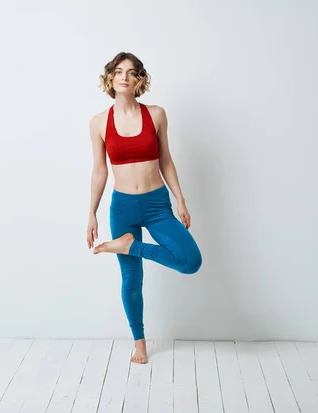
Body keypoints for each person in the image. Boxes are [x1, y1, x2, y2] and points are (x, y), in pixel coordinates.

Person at [86, 52, 202, 364]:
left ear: (140, 80)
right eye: (119, 71)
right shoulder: (98, 122)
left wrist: (180, 199)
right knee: (131, 281)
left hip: (156, 205)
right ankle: (139, 343)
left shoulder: (157, 114)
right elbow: (100, 171)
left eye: (132, 72)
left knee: (190, 260)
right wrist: (91, 213)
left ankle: (129, 246)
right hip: (122, 206)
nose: (125, 76)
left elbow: (166, 159)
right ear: (110, 77)